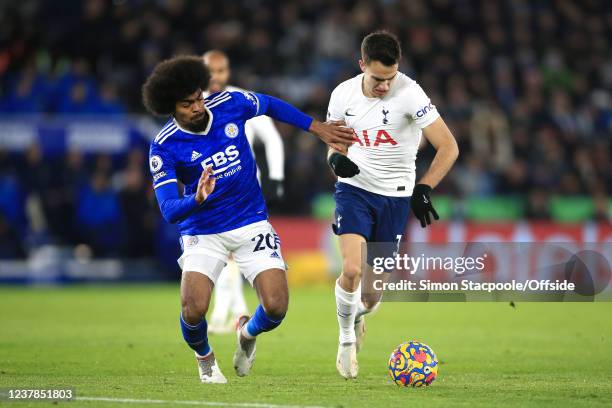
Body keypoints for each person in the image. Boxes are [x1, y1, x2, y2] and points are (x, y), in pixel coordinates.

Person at [142, 56, 354, 383]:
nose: (198, 107)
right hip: (203, 231)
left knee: (276, 306)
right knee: (193, 309)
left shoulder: (229, 103)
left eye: (199, 98)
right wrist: (196, 197)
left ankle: (246, 332)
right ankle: (205, 358)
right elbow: (169, 209)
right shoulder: (164, 146)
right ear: (171, 107)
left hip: (250, 220)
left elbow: (269, 104)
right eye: (188, 104)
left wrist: (316, 128)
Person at [326, 31, 459, 379]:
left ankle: (356, 317)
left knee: (370, 297)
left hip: (395, 198)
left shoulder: (411, 93)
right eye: (378, 79)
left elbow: (448, 146)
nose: (385, 86)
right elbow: (333, 145)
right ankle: (344, 342)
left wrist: (425, 187)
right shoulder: (343, 94)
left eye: (391, 78)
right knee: (352, 269)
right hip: (353, 191)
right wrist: (335, 161)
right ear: (361, 65)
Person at [202, 50, 285, 334]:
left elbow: (271, 137)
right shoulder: (192, 105)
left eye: (221, 71)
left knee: (231, 257)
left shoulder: (241, 100)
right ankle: (234, 311)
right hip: (209, 192)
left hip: (245, 192)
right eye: (210, 71)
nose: (216, 77)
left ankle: (223, 314)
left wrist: (276, 177)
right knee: (224, 257)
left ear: (228, 72)